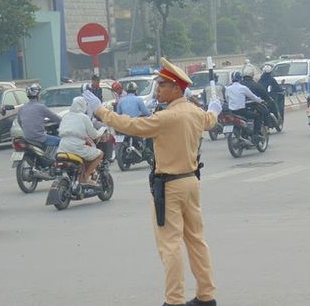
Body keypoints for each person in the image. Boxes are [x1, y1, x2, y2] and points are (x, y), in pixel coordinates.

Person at [83, 57, 221, 306]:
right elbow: (210, 120)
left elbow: (130, 126)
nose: (157, 89)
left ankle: (174, 300)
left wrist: (100, 110)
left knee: (170, 246)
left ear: (177, 88)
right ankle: (206, 295)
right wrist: (214, 109)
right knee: (196, 241)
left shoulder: (166, 117)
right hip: (191, 182)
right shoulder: (195, 112)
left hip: (170, 186)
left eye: (162, 85)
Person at [57, 97, 106, 185]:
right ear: (83, 106)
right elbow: (94, 135)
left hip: (62, 147)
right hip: (76, 147)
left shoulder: (65, 116)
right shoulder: (84, 117)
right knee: (99, 154)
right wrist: (101, 132)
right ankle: (85, 177)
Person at [17, 83, 61, 150]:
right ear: (38, 95)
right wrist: (64, 121)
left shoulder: (22, 108)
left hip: (27, 138)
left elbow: (19, 122)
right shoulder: (41, 107)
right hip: (40, 138)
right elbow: (55, 118)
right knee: (60, 141)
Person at [226, 71, 264, 136]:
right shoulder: (243, 88)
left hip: (231, 112)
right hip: (241, 111)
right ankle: (256, 134)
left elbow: (227, 99)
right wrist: (260, 101)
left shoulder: (228, 89)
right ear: (240, 79)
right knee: (257, 116)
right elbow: (253, 97)